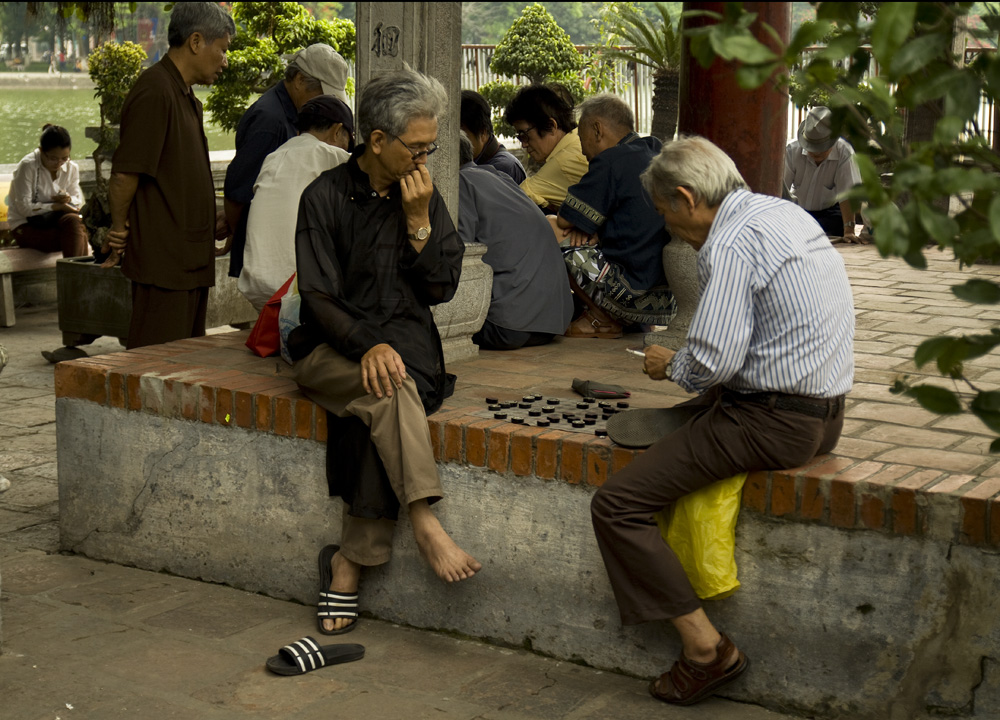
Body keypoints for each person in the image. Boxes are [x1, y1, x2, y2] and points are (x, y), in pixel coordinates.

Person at [590, 136, 854, 706]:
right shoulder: (780, 211)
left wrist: (669, 364)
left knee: (616, 505)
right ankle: (690, 426)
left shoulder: (728, 243)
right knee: (704, 408)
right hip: (825, 412)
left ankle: (706, 650)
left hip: (772, 420)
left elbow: (713, 361)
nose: (670, 230)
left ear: (686, 198)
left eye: (666, 216)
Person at [289, 69, 481, 635]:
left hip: (407, 352)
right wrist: (364, 342)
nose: (426, 158)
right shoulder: (322, 198)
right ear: (376, 141)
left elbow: (440, 288)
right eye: (417, 147)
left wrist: (419, 222)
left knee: (383, 399)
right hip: (331, 349)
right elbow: (318, 296)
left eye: (432, 147)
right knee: (383, 391)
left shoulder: (419, 192)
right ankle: (423, 519)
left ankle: (348, 564)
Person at [105, 2, 235, 349]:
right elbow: (124, 175)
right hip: (165, 264)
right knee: (157, 364)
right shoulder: (156, 89)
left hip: (189, 258)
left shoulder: (184, 95)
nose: (225, 60)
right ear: (195, 41)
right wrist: (118, 229)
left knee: (187, 364)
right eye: (221, 50)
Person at [223, 43, 349, 278]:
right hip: (266, 259)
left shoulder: (291, 113)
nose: (326, 107)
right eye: (323, 95)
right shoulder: (270, 122)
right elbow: (237, 192)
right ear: (300, 80)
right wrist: (235, 230)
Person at [553, 94, 674, 339]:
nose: (583, 149)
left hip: (629, 294)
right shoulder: (655, 149)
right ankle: (633, 322)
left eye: (580, 137)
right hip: (665, 303)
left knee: (551, 227)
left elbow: (565, 221)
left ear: (597, 129)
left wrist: (586, 226)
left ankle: (602, 319)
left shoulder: (610, 160)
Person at [458, 134, 573, 350]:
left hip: (509, 326)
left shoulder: (460, 183)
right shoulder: (500, 177)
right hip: (554, 322)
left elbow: (458, 251)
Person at [238, 95, 354, 310]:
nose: (347, 147)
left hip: (258, 287)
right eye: (348, 139)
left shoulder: (273, 157)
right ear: (338, 131)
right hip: (301, 292)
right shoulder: (334, 156)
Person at [783, 106, 863, 243]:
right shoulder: (791, 150)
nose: (816, 153)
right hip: (798, 211)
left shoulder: (844, 152)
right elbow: (781, 190)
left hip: (830, 213)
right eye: (811, 149)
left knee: (828, 228)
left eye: (821, 149)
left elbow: (848, 194)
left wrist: (849, 230)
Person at [504, 84, 588, 213]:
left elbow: (512, 201)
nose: (524, 144)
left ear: (551, 125)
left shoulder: (563, 162)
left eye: (524, 135)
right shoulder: (580, 138)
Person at [8, 124, 89, 258]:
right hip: (26, 226)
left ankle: (74, 276)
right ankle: (78, 276)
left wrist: (68, 200)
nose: (59, 163)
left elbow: (77, 200)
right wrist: (55, 206)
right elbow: (24, 208)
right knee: (77, 234)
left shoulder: (71, 168)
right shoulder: (28, 166)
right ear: (41, 151)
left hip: (58, 224)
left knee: (75, 225)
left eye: (64, 158)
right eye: (53, 158)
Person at [460, 89, 526, 184]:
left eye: (462, 136)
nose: (457, 142)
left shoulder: (502, 168)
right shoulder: (476, 162)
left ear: (482, 133)